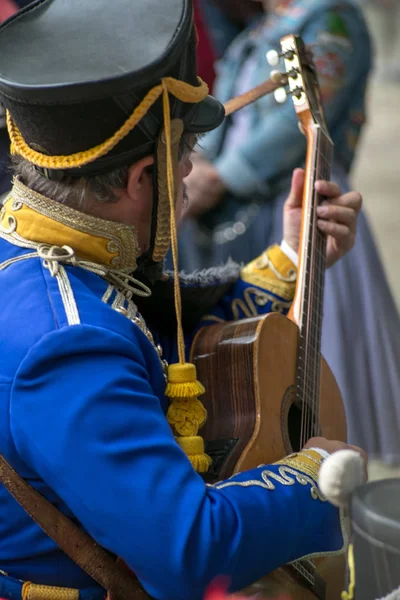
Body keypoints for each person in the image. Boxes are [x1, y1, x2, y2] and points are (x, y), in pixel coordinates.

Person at [0, 1, 365, 599]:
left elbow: (161, 337)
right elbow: (190, 550)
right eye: (183, 157)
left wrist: (293, 259)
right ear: (141, 179)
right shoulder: (67, 346)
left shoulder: (42, 256)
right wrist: (313, 477)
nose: (191, 172)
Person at [179, 0, 400, 462]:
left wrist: (221, 177)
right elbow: (225, 109)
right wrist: (202, 164)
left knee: (311, 377)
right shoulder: (263, 24)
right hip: (240, 207)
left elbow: (292, 125)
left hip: (299, 196)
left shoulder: (332, 16)